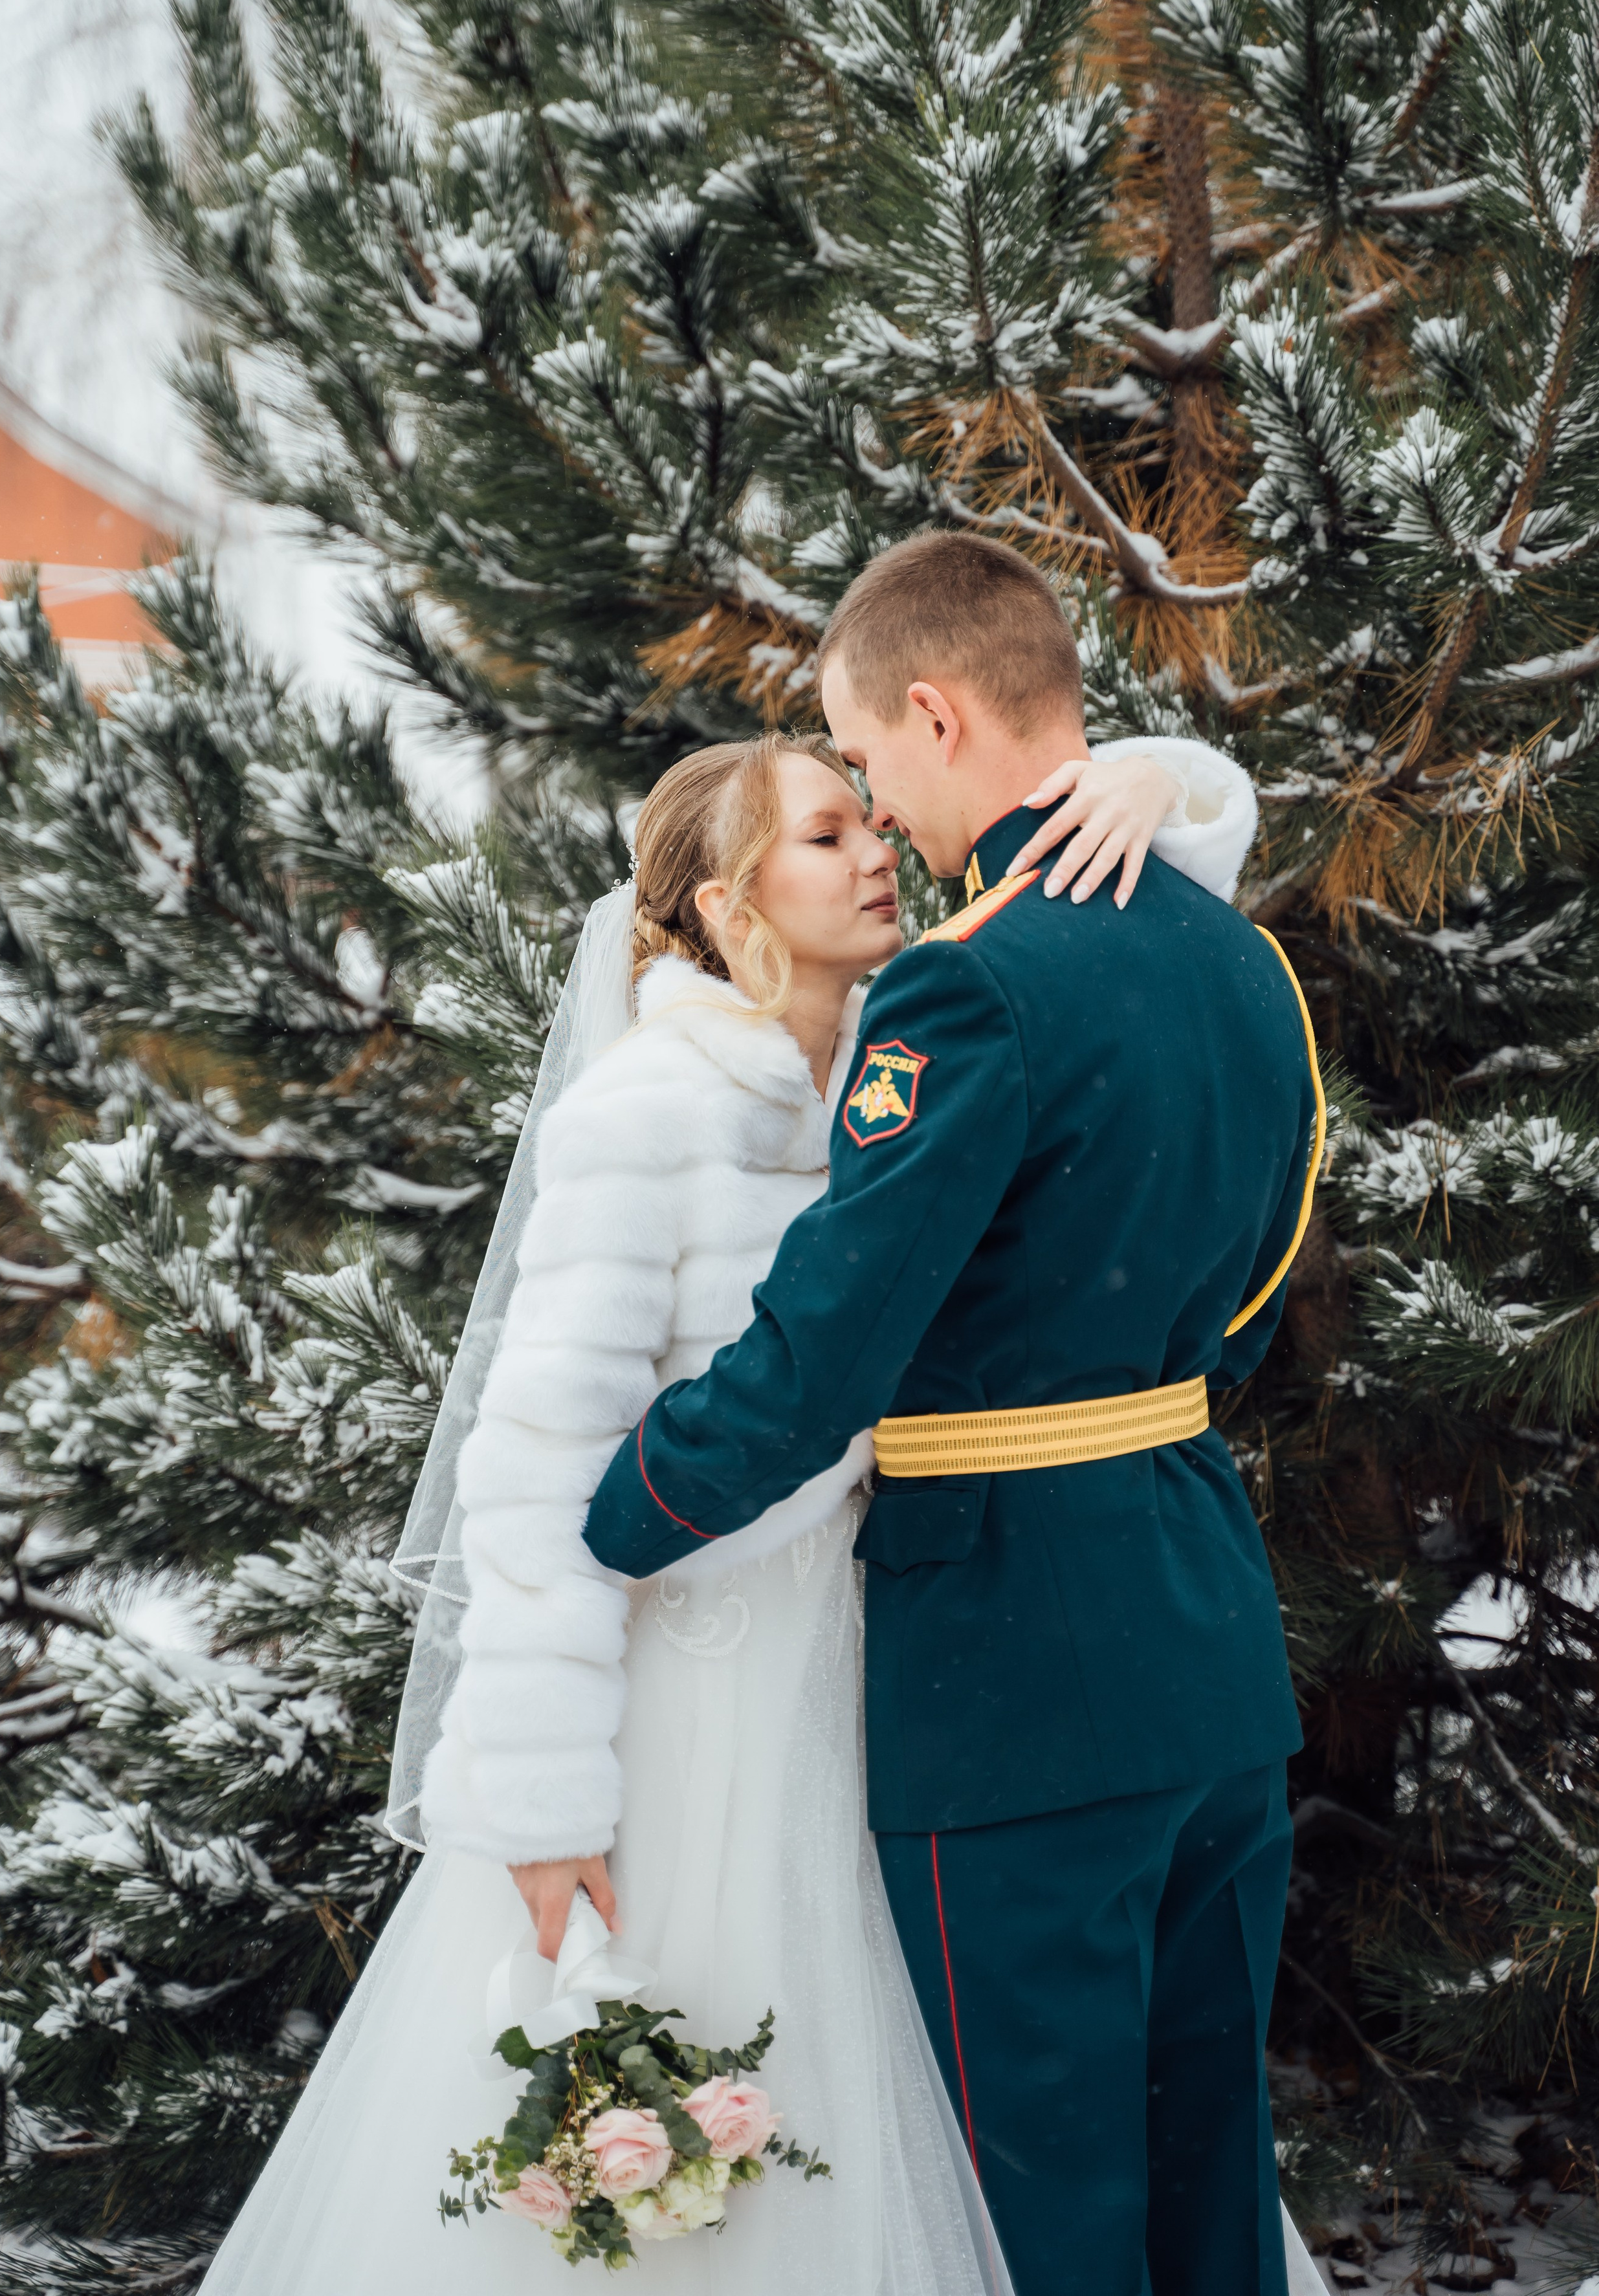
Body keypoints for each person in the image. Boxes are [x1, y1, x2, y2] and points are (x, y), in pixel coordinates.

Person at [195, 694, 1256, 2295]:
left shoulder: (922, 1044)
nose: (874, 850)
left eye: (866, 815)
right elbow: (537, 1480)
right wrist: (539, 1800)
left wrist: (1152, 781)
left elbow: (1129, 929)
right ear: (721, 904)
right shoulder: (647, 1116)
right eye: (821, 837)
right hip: (695, 1694)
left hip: (890, 1661)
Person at [580, 532, 1328, 2296]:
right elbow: (1249, 1302)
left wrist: (618, 1518)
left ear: (931, 711)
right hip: (1207, 1642)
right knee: (1211, 2184)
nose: (877, 810)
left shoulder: (964, 985)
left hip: (1013, 1673)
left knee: (1045, 2214)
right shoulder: (1241, 965)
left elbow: (829, 1344)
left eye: (865, 756)